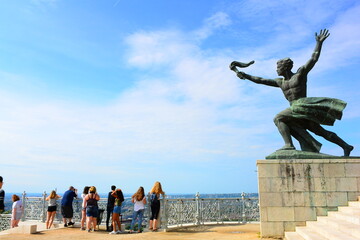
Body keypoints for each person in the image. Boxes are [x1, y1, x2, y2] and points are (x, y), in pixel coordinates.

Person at [233, 29, 354, 156]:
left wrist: (319, 43)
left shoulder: (299, 75)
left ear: (285, 67)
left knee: (278, 118)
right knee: (320, 131)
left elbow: (313, 59)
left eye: (278, 67)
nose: (276, 70)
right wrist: (245, 75)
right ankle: (346, 146)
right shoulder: (280, 82)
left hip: (302, 105)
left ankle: (288, 145)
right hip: (295, 109)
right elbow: (260, 80)